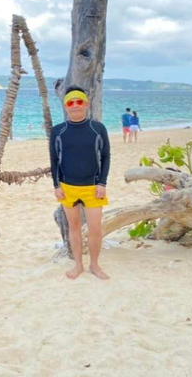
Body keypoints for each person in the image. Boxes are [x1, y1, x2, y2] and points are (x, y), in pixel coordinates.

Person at [49, 86, 111, 280]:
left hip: (93, 187)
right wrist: (56, 186)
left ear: (86, 104)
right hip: (67, 187)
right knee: (74, 227)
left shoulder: (97, 128)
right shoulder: (58, 131)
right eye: (70, 103)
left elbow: (106, 156)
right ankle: (78, 265)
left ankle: (94, 264)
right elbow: (54, 160)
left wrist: (102, 183)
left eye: (79, 102)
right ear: (66, 106)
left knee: (95, 229)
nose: (75, 106)